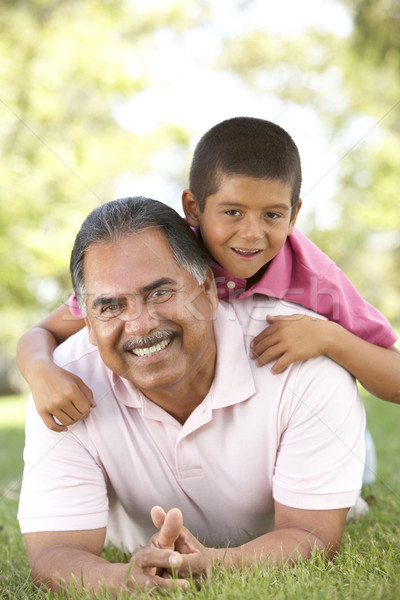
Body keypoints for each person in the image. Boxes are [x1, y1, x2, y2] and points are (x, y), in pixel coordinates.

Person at [18, 196, 365, 595]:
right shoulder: (62, 385)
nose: (140, 326)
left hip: (323, 441)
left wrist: (215, 564)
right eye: (111, 306)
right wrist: (125, 581)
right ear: (88, 325)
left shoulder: (303, 361)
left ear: (208, 289)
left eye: (161, 293)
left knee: (358, 462)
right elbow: (53, 553)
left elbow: (312, 536)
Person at [16, 117, 400, 435]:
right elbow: (41, 332)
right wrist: (40, 372)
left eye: (272, 215)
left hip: (313, 427)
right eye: (233, 212)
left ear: (294, 215)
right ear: (193, 208)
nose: (251, 233)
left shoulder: (316, 278)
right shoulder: (164, 256)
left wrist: (329, 338)